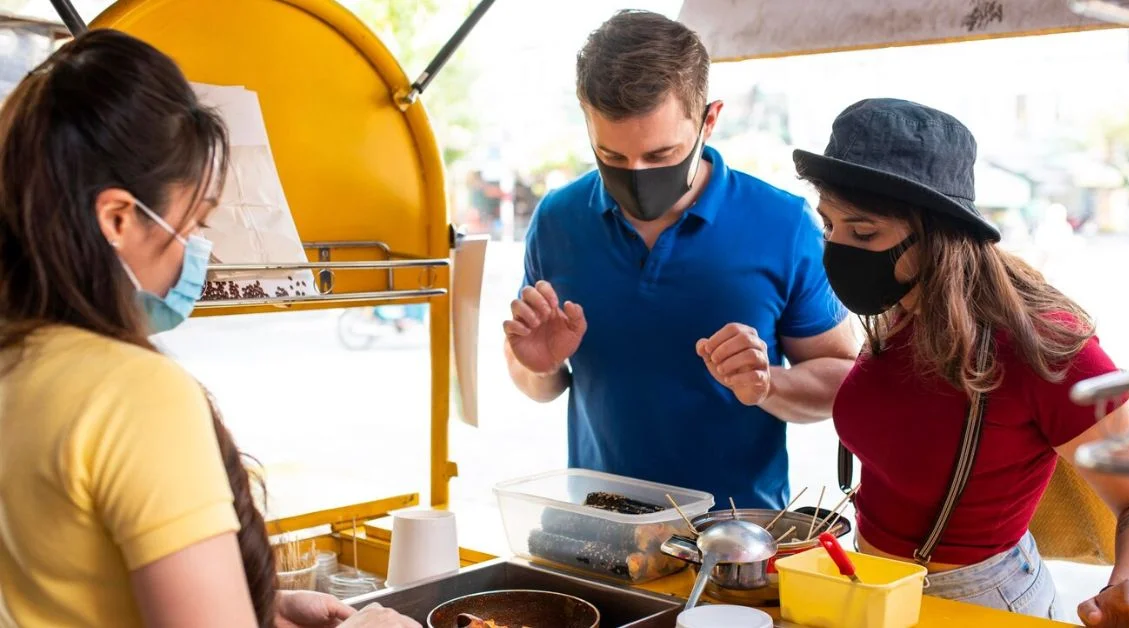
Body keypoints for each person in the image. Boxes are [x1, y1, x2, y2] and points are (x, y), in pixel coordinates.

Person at [0, 29, 419, 628]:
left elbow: (74, 585)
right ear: (117, 217)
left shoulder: (17, 359)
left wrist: (258, 608)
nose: (200, 250)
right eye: (193, 221)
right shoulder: (134, 394)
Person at [795, 98, 1129, 626]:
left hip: (976, 600)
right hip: (872, 586)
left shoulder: (1042, 346)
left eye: (863, 233)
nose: (837, 249)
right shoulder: (898, 309)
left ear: (939, 235)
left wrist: (1126, 590)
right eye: (828, 225)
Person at [502, 10, 858, 509]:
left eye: (661, 154)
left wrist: (765, 383)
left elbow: (843, 376)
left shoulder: (782, 224)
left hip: (734, 541)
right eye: (613, 157)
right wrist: (538, 366)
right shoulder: (558, 220)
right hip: (598, 528)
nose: (637, 174)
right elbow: (538, 381)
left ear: (709, 121)